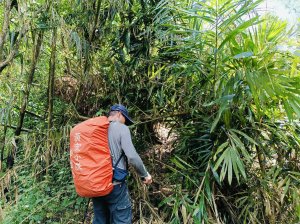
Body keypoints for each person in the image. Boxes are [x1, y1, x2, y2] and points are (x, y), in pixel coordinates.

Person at [92, 104, 152, 224]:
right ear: (119, 114)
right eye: (125, 120)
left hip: (96, 185)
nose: (125, 123)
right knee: (122, 220)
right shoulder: (121, 128)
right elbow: (132, 156)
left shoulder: (96, 128)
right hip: (115, 186)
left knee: (100, 220)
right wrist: (145, 174)